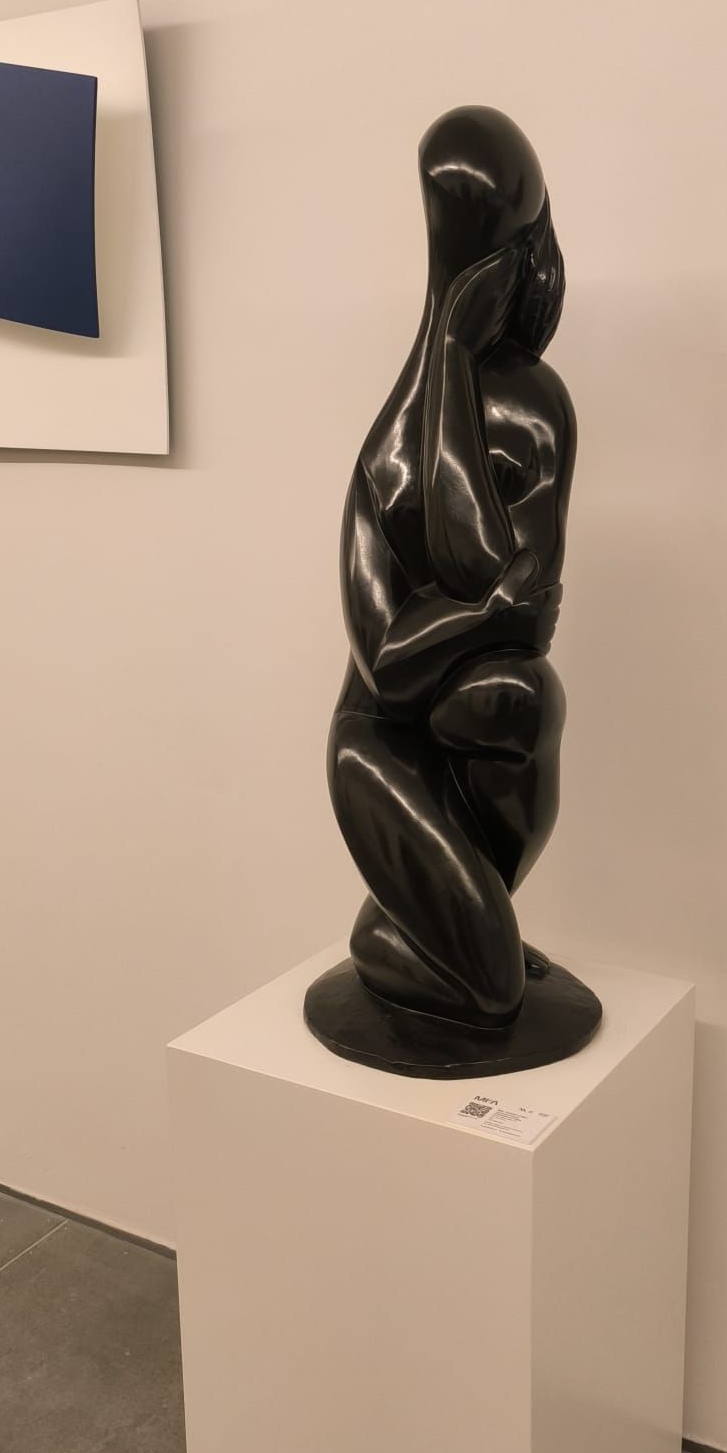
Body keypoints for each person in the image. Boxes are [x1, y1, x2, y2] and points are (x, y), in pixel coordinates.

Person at [325, 106, 578, 1032]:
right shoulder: (384, 458)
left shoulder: (539, 408)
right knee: (495, 994)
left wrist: (457, 363)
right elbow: (390, 672)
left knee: (522, 695)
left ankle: (463, 929)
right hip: (378, 744)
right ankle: (434, 945)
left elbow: (509, 586)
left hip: (474, 708)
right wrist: (448, 354)